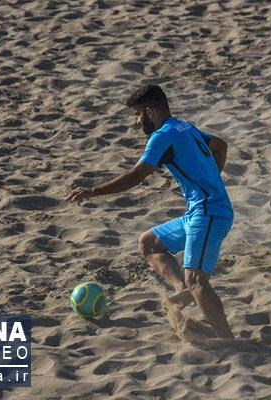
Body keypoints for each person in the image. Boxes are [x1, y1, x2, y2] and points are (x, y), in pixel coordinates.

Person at [66, 85, 234, 338]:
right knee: (149, 242)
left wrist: (94, 191)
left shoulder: (162, 136)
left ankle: (228, 342)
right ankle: (182, 291)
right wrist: (211, 179)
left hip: (209, 212)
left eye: (138, 114)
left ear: (150, 111)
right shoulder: (184, 126)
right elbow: (221, 146)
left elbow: (136, 176)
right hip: (199, 211)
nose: (138, 121)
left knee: (198, 281)